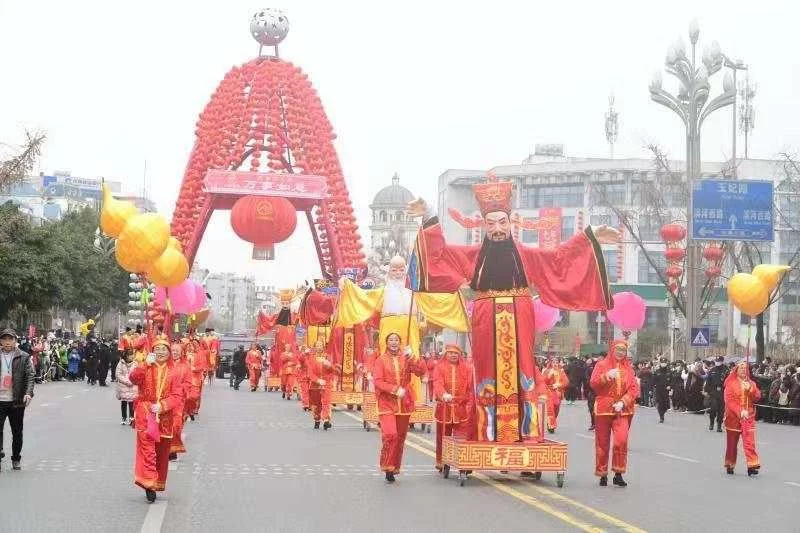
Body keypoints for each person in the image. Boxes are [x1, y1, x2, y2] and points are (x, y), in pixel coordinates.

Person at [406, 173, 617, 443]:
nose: (497, 229)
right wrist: (429, 215)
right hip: (484, 318)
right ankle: (486, 431)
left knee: (523, 368)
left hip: (521, 315)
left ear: (510, 223)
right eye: (491, 223)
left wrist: (591, 238)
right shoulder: (471, 256)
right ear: (484, 226)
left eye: (502, 223)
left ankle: (525, 431)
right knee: (486, 369)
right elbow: (440, 255)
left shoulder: (527, 256)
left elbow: (560, 259)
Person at [129, 339, 183, 503]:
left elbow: (177, 396)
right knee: (148, 450)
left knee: (160, 453)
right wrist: (144, 364)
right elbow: (133, 379)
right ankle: (149, 483)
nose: (160, 352)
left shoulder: (174, 372)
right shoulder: (146, 366)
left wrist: (163, 406)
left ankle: (155, 481)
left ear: (169, 353)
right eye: (157, 349)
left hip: (164, 417)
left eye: (164, 349)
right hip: (145, 413)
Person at [372, 332, 427, 483]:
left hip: (404, 403)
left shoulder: (406, 358)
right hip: (386, 402)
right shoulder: (380, 361)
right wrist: (395, 389)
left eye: (396, 339)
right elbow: (378, 381)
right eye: (391, 340)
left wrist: (413, 357)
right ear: (386, 342)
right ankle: (387, 465)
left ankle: (394, 467)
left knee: (400, 437)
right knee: (390, 434)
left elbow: (421, 371)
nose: (394, 342)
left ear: (400, 342)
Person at [590, 340, 640, 488]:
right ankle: (602, 474)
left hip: (622, 410)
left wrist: (623, 402)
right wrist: (606, 376)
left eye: (623, 350)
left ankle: (618, 473)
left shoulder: (629, 369)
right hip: (604, 409)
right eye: (618, 349)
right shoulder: (601, 365)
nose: (620, 352)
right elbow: (593, 383)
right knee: (602, 443)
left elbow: (633, 389)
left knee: (621, 440)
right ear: (612, 350)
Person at [432, 344, 475, 471]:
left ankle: (462, 460)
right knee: (443, 436)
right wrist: (443, 394)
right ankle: (441, 459)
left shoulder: (467, 368)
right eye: (450, 352)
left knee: (462, 436)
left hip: (461, 408)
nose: (453, 355)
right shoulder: (440, 367)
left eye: (456, 353)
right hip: (444, 407)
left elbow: (471, 386)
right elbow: (437, 383)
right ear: (446, 353)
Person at [0, 328, 35, 471]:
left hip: (17, 401)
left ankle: (16, 458)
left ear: (15, 341)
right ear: (1, 341)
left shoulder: (24, 356)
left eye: (10, 339)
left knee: (17, 432)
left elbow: (30, 376)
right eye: (4, 339)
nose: (7, 342)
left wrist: (28, 393)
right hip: (0, 400)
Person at [724, 361, 761, 476]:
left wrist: (751, 390)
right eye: (741, 368)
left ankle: (752, 465)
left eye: (746, 368)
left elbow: (757, 397)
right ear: (736, 370)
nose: (744, 370)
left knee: (749, 442)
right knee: (732, 444)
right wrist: (740, 411)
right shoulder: (731, 383)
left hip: (748, 417)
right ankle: (730, 464)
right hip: (733, 418)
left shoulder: (751, 383)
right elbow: (729, 401)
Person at [169, 341, 192, 460]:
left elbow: (188, 383)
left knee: (176, 425)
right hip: (166, 399)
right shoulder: (166, 364)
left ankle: (173, 449)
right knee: (165, 425)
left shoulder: (186, 366)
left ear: (182, 352)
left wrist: (179, 389)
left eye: (177, 351)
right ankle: (165, 450)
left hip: (178, 400)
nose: (175, 353)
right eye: (173, 351)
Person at [307, 340, 334, 429]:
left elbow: (332, 370)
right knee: (317, 404)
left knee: (326, 402)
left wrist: (329, 365)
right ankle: (317, 419)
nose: (319, 347)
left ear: (323, 347)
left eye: (320, 345)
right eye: (317, 345)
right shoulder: (312, 358)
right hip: (315, 385)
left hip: (326, 383)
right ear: (315, 347)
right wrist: (317, 380)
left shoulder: (327, 357)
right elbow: (310, 373)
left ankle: (326, 420)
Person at [542, 357, 569, 434]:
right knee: (550, 409)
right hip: (549, 392)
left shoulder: (561, 371)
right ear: (551, 363)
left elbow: (566, 382)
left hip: (558, 393)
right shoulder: (547, 371)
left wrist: (559, 385)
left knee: (556, 409)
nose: (555, 364)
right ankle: (551, 425)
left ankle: (552, 421)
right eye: (554, 362)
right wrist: (548, 376)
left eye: (557, 363)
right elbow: (542, 381)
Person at [704, 355, 727, 432]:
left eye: (719, 361)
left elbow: (729, 382)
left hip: (722, 393)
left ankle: (719, 425)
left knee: (721, 411)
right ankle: (711, 423)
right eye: (716, 361)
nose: (717, 363)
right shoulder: (712, 370)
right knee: (713, 409)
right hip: (713, 392)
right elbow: (708, 381)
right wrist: (707, 390)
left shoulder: (726, 370)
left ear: (722, 361)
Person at [116, 349, 138, 426]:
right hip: (123, 386)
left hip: (133, 386)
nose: (132, 356)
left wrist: (133, 381)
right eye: (130, 355)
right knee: (124, 402)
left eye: (132, 355)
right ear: (126, 356)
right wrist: (126, 381)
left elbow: (138, 374)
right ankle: (123, 417)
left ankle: (132, 418)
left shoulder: (136, 364)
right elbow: (118, 374)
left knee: (132, 403)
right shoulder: (121, 363)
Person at [653, 357, 671, 423]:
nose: (663, 364)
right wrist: (653, 387)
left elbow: (672, 380)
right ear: (660, 363)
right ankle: (661, 417)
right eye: (662, 362)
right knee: (660, 404)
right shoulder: (657, 371)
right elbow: (653, 380)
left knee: (666, 405)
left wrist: (670, 386)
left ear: (666, 363)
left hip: (666, 391)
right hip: (659, 390)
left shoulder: (669, 371)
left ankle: (662, 413)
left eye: (664, 362)